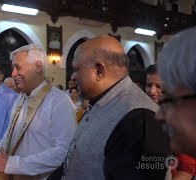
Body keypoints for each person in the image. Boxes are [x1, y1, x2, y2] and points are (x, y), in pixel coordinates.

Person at [61, 36, 170, 179]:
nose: (73, 77)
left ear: (99, 70)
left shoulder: (140, 118)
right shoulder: (100, 102)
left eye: (76, 69)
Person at [0, 44, 76, 179]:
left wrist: (13, 164)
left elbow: (63, 151)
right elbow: (9, 136)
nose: (13, 74)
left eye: (18, 67)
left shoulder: (59, 101)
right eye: (13, 68)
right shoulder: (20, 99)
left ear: (38, 66)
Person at [145, 64, 196, 179]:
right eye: (149, 85)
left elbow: (186, 170)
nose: (152, 91)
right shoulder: (140, 113)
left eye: (159, 86)